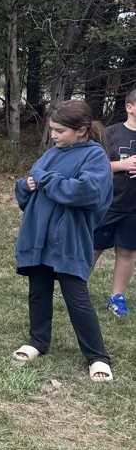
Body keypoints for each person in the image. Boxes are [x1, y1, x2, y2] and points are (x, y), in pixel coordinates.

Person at [13, 100, 114, 380]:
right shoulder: (52, 153)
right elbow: (28, 186)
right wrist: (25, 185)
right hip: (39, 234)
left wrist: (45, 180)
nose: (54, 136)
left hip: (69, 238)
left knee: (76, 297)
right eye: (52, 130)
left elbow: (87, 192)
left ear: (81, 131)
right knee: (38, 291)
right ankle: (37, 342)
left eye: (59, 130)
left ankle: (97, 357)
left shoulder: (94, 156)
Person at [91, 88, 136, 316]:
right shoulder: (111, 133)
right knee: (94, 247)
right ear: (130, 107)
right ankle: (74, 287)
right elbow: (92, 166)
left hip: (133, 209)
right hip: (108, 204)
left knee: (127, 251)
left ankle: (117, 297)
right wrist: (122, 166)